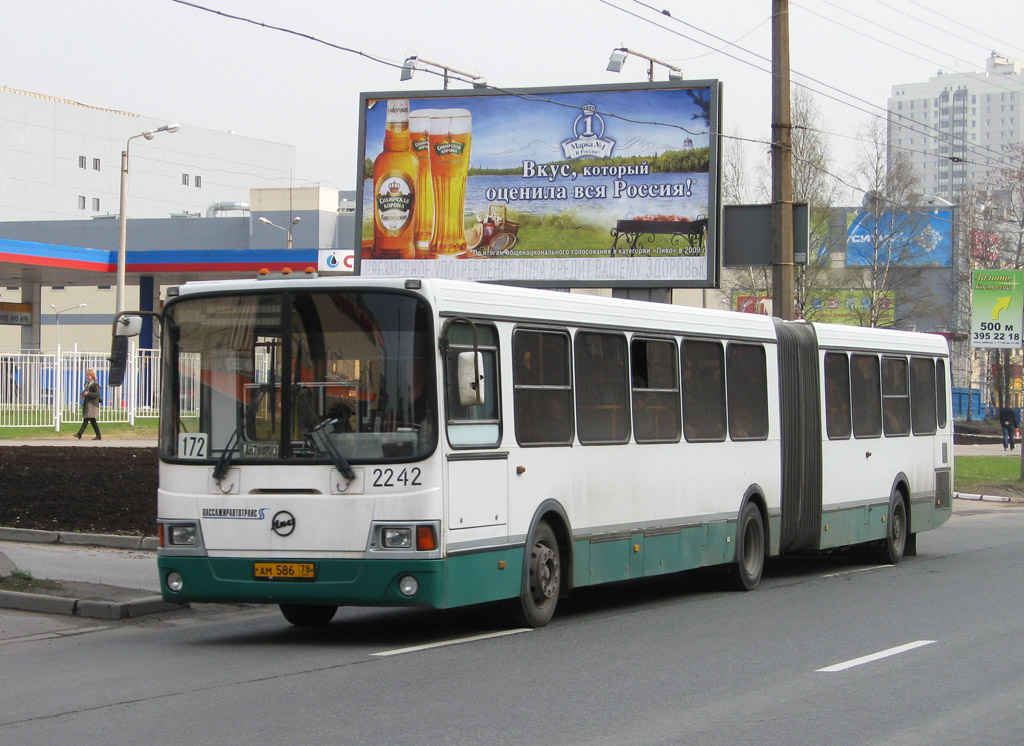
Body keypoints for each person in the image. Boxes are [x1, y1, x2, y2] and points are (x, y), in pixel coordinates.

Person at [74, 369, 101, 440]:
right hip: (87, 404)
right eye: (87, 375)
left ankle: (79, 434)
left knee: (86, 420)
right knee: (92, 421)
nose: (87, 376)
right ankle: (98, 435)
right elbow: (85, 391)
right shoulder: (86, 384)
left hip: (92, 405)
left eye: (89, 375)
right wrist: (82, 394)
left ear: (92, 376)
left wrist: (88, 394)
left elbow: (97, 394)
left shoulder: (95, 385)